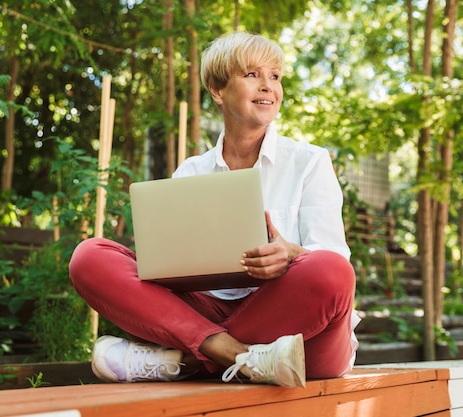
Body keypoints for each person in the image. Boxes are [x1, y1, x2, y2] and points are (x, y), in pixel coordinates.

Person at [69, 32, 359, 388]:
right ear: (217, 90)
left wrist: (289, 254)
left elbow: (334, 263)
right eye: (252, 74)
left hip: (298, 331)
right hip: (206, 310)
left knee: (331, 271)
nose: (268, 86)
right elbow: (165, 267)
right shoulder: (191, 172)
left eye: (275, 76)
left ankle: (187, 361)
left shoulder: (309, 161)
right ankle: (237, 356)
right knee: (89, 256)